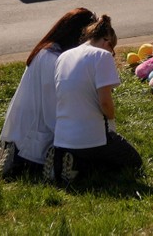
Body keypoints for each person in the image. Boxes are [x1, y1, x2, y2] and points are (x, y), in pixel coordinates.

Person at [0, 7, 97, 178]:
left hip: (22, 134)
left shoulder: (47, 50)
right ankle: (56, 165)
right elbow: (55, 109)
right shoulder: (54, 60)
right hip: (34, 143)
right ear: (78, 36)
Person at [45, 14, 142, 184]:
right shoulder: (101, 57)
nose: (111, 55)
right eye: (112, 51)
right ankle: (81, 166)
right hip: (92, 137)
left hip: (62, 136)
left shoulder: (64, 56)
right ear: (107, 42)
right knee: (133, 161)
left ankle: (63, 160)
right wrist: (112, 119)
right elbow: (105, 102)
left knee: (93, 153)